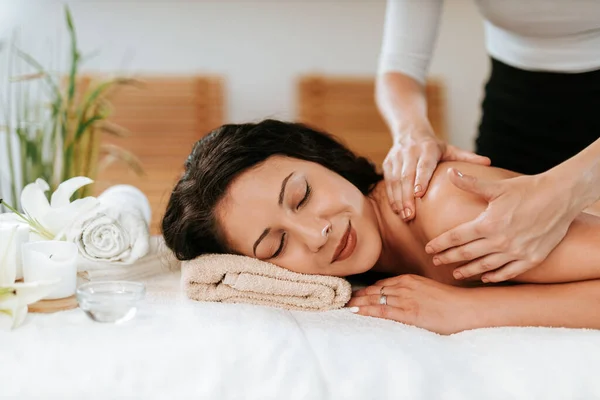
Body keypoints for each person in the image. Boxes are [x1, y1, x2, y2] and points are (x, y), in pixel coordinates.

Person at [162, 119, 600, 335]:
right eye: (277, 247)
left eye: (302, 196)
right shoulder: (378, 270)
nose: (317, 235)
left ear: (320, 159)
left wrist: (469, 311)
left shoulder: (445, 205)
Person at [376, 0, 600, 283]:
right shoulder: (446, 199)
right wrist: (412, 132)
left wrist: (568, 190)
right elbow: (401, 64)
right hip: (514, 114)